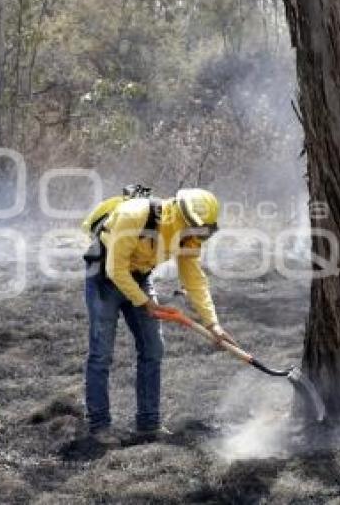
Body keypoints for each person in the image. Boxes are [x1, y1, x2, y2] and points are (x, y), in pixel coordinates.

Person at [82, 188, 235, 444]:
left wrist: (213, 323)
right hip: (104, 279)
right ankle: (100, 426)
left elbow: (194, 280)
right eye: (195, 229)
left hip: (139, 276)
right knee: (101, 353)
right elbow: (115, 268)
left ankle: (148, 424)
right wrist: (145, 302)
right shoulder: (134, 216)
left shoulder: (187, 236)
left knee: (153, 349)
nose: (197, 236)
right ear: (179, 217)